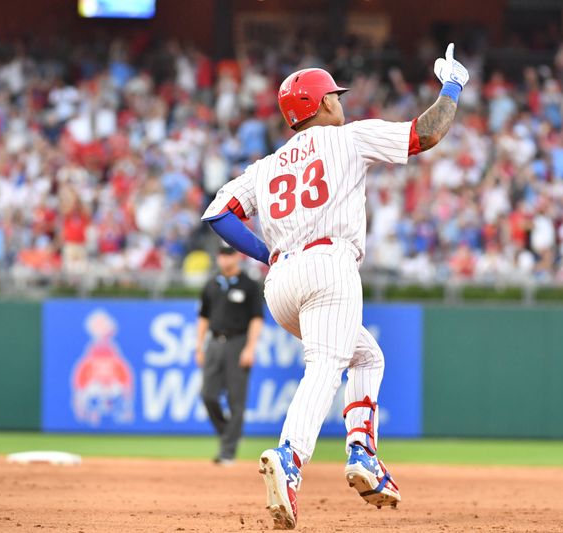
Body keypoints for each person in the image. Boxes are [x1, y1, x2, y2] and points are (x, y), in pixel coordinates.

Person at [201, 44, 469, 529]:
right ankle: (290, 457)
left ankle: (362, 453)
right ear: (323, 104)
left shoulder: (267, 166)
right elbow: (425, 133)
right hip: (329, 265)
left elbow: (218, 213)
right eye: (335, 96)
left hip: (281, 283)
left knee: (366, 356)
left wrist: (268, 254)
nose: (339, 102)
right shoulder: (347, 138)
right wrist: (453, 85)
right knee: (325, 364)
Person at [195, 244, 264, 465]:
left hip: (238, 341)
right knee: (208, 395)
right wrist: (199, 346)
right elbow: (203, 317)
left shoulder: (249, 285)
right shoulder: (212, 285)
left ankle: (228, 451)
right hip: (214, 342)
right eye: (222, 255)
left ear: (238, 256)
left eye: (230, 254)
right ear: (218, 258)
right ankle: (229, 435)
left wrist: (250, 347)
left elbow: (256, 318)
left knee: (236, 399)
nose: (226, 259)